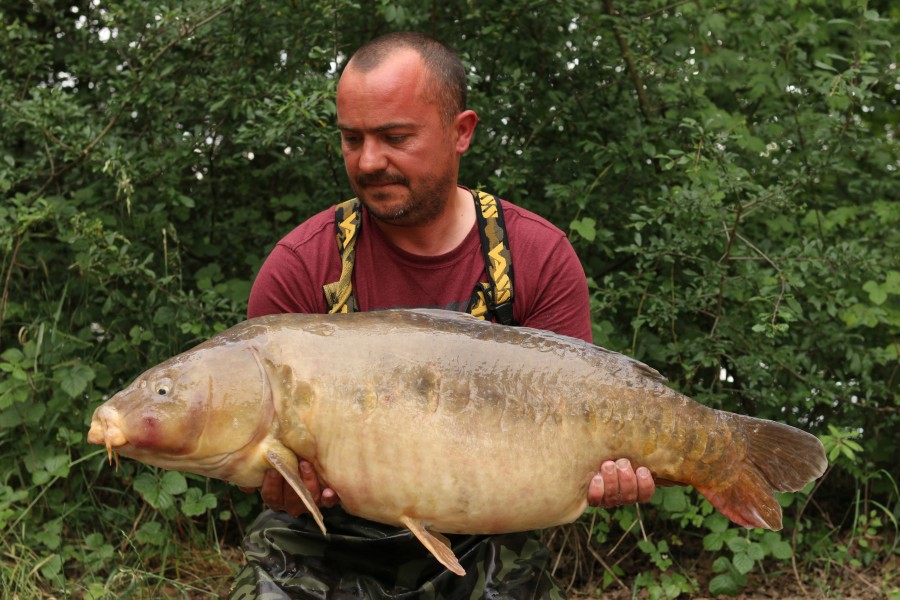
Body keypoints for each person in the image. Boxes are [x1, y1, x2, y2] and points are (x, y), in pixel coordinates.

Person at [229, 31, 655, 599]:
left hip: (485, 526)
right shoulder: (301, 266)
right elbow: (259, 456)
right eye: (351, 139)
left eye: (394, 137)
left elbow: (584, 415)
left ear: (461, 132)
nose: (369, 161)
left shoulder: (537, 256)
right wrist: (279, 482)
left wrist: (610, 473)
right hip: (330, 535)